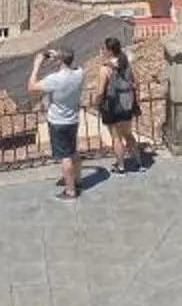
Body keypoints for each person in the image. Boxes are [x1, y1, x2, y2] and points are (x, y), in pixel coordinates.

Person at [30, 44, 87, 200]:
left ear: (60, 60)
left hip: (58, 121)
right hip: (73, 119)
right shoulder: (79, 74)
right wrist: (61, 55)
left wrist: (37, 65)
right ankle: (77, 180)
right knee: (73, 151)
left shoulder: (54, 79)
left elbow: (31, 87)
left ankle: (70, 190)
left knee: (65, 156)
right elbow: (75, 65)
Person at [96, 34, 143, 171]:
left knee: (116, 138)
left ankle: (121, 166)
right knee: (128, 134)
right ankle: (139, 162)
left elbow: (100, 91)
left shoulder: (105, 69)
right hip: (127, 104)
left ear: (109, 50)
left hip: (112, 106)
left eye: (104, 48)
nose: (103, 51)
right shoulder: (125, 64)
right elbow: (134, 83)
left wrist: (97, 103)